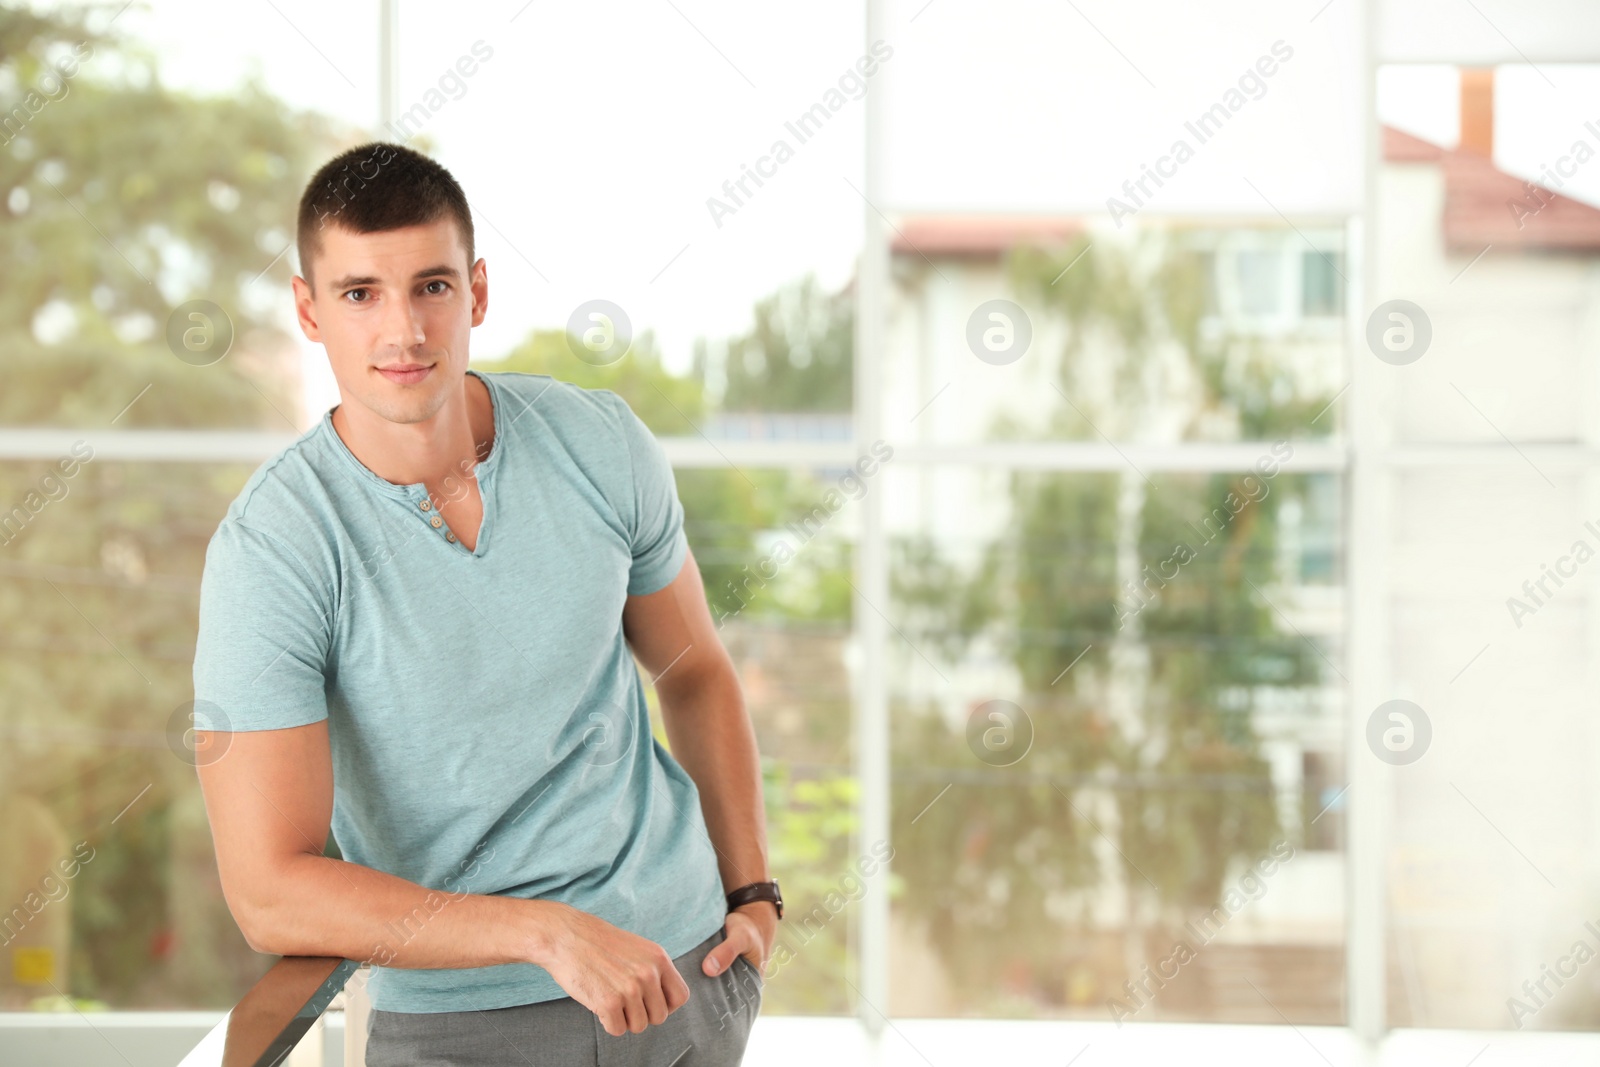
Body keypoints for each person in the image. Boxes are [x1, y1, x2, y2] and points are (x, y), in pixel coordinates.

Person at [189, 141, 781, 1066]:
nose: (404, 332)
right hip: (467, 1024)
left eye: (431, 286)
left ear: (478, 292)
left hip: (689, 977)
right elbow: (269, 891)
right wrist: (542, 931)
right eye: (359, 294)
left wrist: (753, 892)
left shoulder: (599, 443)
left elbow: (695, 667)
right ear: (309, 310)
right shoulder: (275, 548)